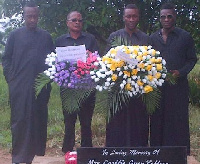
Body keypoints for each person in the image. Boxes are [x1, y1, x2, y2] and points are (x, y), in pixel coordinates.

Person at [2, 2, 54, 164]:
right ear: (24, 17)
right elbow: (6, 59)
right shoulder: (15, 36)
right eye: (29, 16)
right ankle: (17, 160)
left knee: (39, 121)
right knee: (20, 121)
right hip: (20, 87)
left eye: (35, 16)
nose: (32, 19)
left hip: (41, 87)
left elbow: (52, 60)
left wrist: (47, 80)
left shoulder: (45, 36)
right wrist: (12, 79)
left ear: (38, 16)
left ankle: (36, 158)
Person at [150, 3, 197, 155]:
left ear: (174, 17)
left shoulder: (185, 37)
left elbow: (192, 59)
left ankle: (179, 153)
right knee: (158, 119)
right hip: (157, 87)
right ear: (160, 19)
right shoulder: (153, 38)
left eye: (169, 16)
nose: (166, 19)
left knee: (177, 119)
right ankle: (158, 151)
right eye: (163, 17)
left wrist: (181, 72)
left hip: (178, 87)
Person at [106, 4, 150, 147]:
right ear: (123, 18)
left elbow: (150, 62)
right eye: (128, 16)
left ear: (138, 17)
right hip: (118, 90)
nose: (131, 19)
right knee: (117, 122)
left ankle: (139, 151)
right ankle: (115, 151)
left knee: (139, 121)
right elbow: (107, 60)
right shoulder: (114, 36)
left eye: (134, 16)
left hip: (139, 91)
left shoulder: (145, 38)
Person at [55, 11, 99, 153]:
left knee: (86, 122)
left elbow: (97, 61)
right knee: (69, 121)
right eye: (74, 20)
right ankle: (68, 151)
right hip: (68, 88)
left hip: (87, 87)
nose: (77, 23)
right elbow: (55, 62)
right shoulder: (60, 41)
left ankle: (87, 152)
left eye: (80, 20)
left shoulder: (90, 39)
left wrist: (89, 61)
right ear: (67, 22)